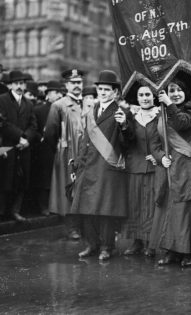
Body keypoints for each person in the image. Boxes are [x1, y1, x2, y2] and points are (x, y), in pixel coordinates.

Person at [70, 70, 128, 261]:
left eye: (107, 89)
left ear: (115, 93)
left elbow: (128, 143)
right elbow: (84, 141)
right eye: (100, 89)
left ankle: (107, 247)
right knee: (86, 209)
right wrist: (77, 164)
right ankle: (91, 244)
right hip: (88, 168)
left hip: (107, 169)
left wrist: (125, 126)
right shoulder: (91, 112)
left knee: (105, 212)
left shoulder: (121, 113)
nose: (102, 92)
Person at [154, 76, 191, 267]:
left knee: (189, 210)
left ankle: (189, 251)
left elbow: (182, 123)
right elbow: (154, 143)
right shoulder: (162, 112)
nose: (175, 94)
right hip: (170, 166)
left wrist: (168, 104)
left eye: (178, 90)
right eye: (171, 91)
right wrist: (160, 157)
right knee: (173, 210)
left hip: (189, 166)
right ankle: (172, 250)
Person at [117, 85, 162, 256]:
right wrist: (123, 126)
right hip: (135, 166)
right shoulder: (132, 117)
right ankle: (136, 241)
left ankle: (150, 242)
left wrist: (158, 156)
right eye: (141, 95)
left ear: (153, 96)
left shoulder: (160, 116)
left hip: (153, 167)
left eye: (148, 95)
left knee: (150, 204)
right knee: (135, 204)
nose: (144, 98)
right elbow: (126, 141)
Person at [44, 69, 86, 240]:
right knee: (69, 190)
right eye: (73, 82)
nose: (76, 86)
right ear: (67, 85)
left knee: (85, 188)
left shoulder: (90, 103)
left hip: (88, 154)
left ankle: (86, 226)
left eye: (79, 82)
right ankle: (72, 227)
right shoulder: (59, 105)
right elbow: (50, 134)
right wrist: (61, 150)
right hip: (68, 152)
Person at [0, 70, 37, 221]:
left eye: (22, 83)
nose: (19, 86)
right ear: (10, 85)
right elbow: (2, 123)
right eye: (16, 83)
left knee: (21, 180)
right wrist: (20, 136)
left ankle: (15, 211)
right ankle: (2, 211)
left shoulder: (28, 104)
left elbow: (33, 125)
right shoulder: (2, 100)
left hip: (24, 148)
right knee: (5, 178)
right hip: (8, 146)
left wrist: (27, 139)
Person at [31, 80, 64, 216]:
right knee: (45, 177)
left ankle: (56, 205)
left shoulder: (63, 109)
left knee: (58, 177)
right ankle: (43, 206)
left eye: (58, 93)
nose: (57, 95)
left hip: (60, 146)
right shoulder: (39, 110)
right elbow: (34, 127)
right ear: (48, 95)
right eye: (54, 93)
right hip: (44, 148)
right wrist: (41, 137)